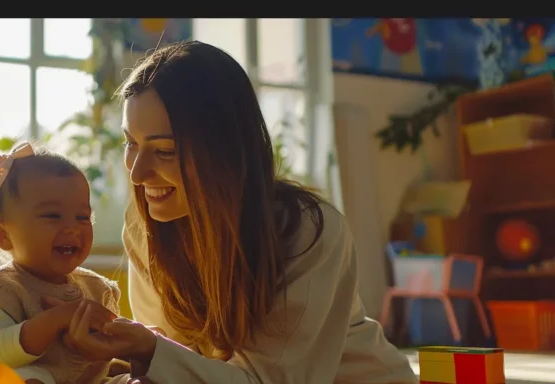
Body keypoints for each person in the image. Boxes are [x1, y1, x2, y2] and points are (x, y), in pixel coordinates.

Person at [55, 41, 419, 383]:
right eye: (131, 144)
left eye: (164, 151)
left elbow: (264, 379)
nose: (137, 173)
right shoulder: (147, 226)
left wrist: (149, 350)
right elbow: (174, 364)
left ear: (223, 151)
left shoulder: (307, 232)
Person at [0, 142, 123, 384]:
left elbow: (110, 351)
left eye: (82, 217)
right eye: (53, 215)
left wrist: (130, 342)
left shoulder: (96, 289)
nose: (72, 228)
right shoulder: (2, 290)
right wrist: (55, 320)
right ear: (3, 235)